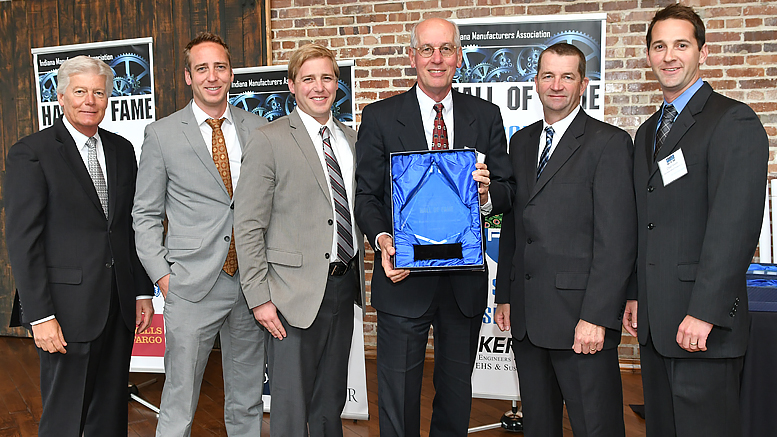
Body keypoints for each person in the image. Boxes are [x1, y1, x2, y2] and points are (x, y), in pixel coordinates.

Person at [354, 17, 515, 436]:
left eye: (446, 49)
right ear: (412, 57)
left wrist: (484, 197)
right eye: (427, 49)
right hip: (403, 277)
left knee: (456, 396)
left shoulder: (487, 115)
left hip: (462, 285)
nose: (437, 58)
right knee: (398, 397)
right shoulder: (380, 117)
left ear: (459, 56)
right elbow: (366, 198)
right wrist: (383, 238)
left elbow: (507, 190)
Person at [623, 5, 769, 437]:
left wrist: (704, 312)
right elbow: (643, 221)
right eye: (659, 46)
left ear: (703, 53)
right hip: (654, 324)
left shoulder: (733, 120)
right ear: (649, 55)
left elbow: (735, 227)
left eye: (681, 45)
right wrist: (634, 294)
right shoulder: (648, 131)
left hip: (702, 327)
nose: (669, 56)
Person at [5, 55, 154, 436]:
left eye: (99, 92)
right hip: (64, 313)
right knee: (65, 418)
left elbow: (127, 228)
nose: (90, 100)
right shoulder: (32, 152)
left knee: (110, 415)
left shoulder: (122, 149)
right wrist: (39, 316)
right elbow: (24, 240)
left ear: (109, 98)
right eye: (80, 91)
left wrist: (140, 290)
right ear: (61, 96)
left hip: (117, 308)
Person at [493, 43, 635, 437]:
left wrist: (596, 317)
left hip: (580, 321)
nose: (557, 85)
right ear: (535, 82)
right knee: (539, 426)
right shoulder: (521, 143)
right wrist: (505, 293)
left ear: (583, 84)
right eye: (548, 75)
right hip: (527, 317)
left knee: (596, 425)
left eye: (567, 76)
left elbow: (617, 240)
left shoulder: (609, 143)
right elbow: (514, 225)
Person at [132, 32, 267, 436]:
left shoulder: (260, 129)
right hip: (190, 286)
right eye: (202, 68)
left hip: (250, 284)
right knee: (179, 399)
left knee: (246, 398)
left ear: (232, 74)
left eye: (220, 67)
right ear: (188, 77)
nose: (213, 76)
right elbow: (145, 215)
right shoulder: (162, 135)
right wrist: (164, 278)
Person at [234, 43, 362, 437]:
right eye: (308, 79)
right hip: (289, 296)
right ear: (292, 85)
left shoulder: (351, 139)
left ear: (337, 84)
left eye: (327, 78)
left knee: (330, 402)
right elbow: (248, 224)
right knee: (289, 409)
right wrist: (259, 298)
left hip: (343, 286)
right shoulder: (268, 139)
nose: (319, 87)